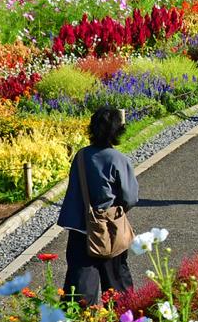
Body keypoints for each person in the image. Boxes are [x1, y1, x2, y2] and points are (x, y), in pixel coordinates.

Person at [57, 107, 138, 307]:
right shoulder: (118, 159)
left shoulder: (81, 156)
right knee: (118, 282)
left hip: (79, 227)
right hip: (109, 229)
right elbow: (130, 197)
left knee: (79, 286)